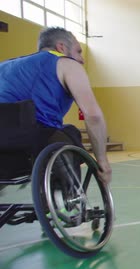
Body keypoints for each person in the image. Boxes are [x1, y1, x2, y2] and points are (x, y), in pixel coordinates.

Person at [0, 27, 112, 185]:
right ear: (61, 47)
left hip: (5, 155)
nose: (81, 59)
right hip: (32, 143)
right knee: (69, 134)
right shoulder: (66, 63)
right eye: (78, 51)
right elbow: (93, 115)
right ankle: (69, 199)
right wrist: (103, 162)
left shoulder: (4, 66)